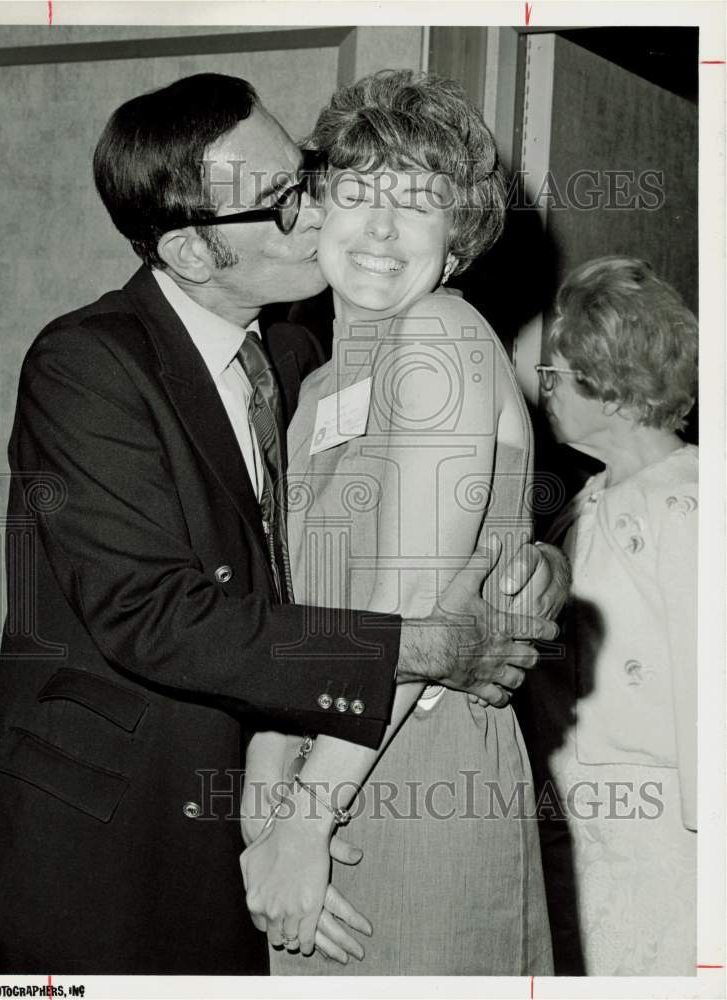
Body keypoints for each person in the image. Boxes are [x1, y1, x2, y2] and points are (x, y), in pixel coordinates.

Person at [0, 73, 565, 975]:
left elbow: (420, 552)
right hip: (121, 842)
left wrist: (531, 561)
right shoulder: (105, 364)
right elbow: (154, 613)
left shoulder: (369, 340)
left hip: (380, 780)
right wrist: (282, 802)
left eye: (305, 175)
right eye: (300, 197)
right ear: (192, 252)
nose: (317, 213)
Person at [240, 70, 555, 975]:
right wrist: (270, 787)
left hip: (419, 767)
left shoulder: (442, 334)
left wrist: (305, 821)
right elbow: (301, 613)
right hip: (326, 768)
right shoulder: (315, 392)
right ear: (314, 210)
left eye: (417, 204)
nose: (379, 228)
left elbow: (406, 605)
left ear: (456, 244)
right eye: (355, 192)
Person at [524, 256, 698, 975]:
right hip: (585, 812)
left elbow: (703, 681)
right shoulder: (585, 501)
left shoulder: (687, 505)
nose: (545, 395)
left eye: (555, 378)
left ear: (614, 388)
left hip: (666, 829)